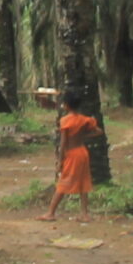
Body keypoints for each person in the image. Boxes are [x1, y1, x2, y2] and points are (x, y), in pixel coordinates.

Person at [41, 93, 102, 221]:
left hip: (72, 154)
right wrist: (84, 136)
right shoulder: (84, 119)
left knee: (64, 182)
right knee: (83, 182)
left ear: (67, 105)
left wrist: (60, 160)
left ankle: (51, 213)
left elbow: (63, 142)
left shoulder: (65, 120)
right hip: (82, 152)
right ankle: (84, 214)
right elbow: (98, 131)